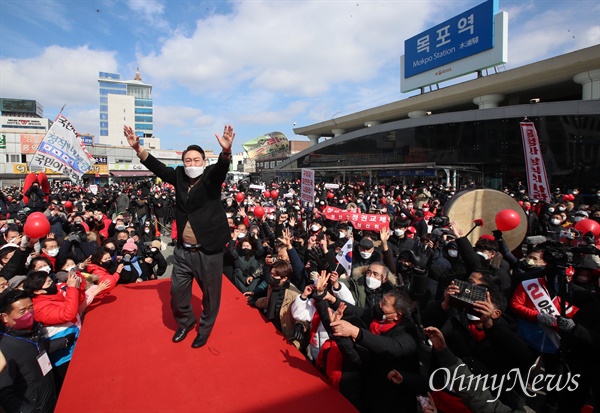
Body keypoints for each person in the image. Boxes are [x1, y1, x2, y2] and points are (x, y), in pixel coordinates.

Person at [124, 124, 234, 349]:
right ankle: (185, 321)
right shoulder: (179, 177)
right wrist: (138, 148)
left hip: (209, 250)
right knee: (177, 292)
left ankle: (204, 330)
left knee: (211, 296)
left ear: (204, 162)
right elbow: (158, 167)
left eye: (196, 160)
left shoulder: (211, 177)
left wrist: (225, 153)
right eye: (188, 161)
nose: (192, 164)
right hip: (183, 251)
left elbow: (221, 168)